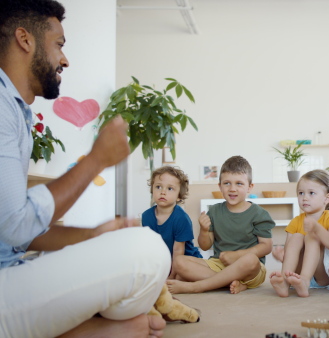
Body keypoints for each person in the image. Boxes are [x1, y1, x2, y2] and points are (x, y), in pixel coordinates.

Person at [0, 1, 172, 337]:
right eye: (59, 45)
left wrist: (92, 236)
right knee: (147, 254)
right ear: (25, 39)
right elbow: (15, 225)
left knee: (138, 245)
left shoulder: (14, 111)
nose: (64, 59)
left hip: (12, 268)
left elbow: (15, 233)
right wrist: (95, 159)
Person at [166, 156, 275, 294]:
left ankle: (197, 286)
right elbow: (205, 246)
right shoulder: (214, 211)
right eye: (227, 183)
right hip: (218, 264)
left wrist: (237, 256)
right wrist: (204, 230)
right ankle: (227, 282)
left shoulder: (259, 214)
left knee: (251, 260)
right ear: (220, 186)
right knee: (179, 262)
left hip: (248, 268)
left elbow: (266, 246)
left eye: (239, 184)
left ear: (250, 187)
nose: (232, 189)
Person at [270, 169, 329, 297]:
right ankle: (284, 283)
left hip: (324, 274)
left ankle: (305, 281)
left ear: (327, 198)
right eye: (301, 193)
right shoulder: (296, 221)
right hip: (297, 275)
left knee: (312, 236)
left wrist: (317, 229)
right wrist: (282, 254)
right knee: (297, 236)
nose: (305, 198)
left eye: (311, 193)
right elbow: (290, 251)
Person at [142, 166, 202, 280]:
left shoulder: (181, 218)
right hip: (165, 261)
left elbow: (178, 250)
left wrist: (172, 276)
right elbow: (151, 247)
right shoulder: (146, 216)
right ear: (152, 190)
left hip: (187, 260)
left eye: (170, 189)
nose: (163, 192)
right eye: (158, 187)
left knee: (179, 275)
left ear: (179, 196)